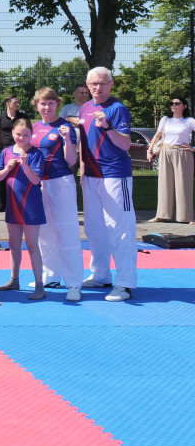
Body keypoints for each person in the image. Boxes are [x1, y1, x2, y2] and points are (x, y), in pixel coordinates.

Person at [78, 67, 138, 301]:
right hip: (91, 176)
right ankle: (101, 275)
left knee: (120, 229)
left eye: (103, 83)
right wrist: (83, 168)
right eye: (94, 83)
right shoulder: (85, 108)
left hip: (115, 176)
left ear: (111, 84)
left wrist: (108, 127)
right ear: (87, 85)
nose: (98, 87)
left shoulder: (117, 109)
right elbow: (84, 142)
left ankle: (125, 283)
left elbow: (125, 144)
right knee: (94, 229)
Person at [30, 87, 83, 302]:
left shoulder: (65, 127)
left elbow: (71, 160)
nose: (47, 107)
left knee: (66, 231)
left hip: (60, 182)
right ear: (36, 105)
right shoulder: (33, 128)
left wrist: (67, 140)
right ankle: (51, 275)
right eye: (43, 103)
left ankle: (74, 283)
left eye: (51, 103)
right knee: (43, 232)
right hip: (38, 184)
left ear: (57, 104)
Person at [0, 118, 46, 300]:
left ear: (31, 135)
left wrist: (24, 165)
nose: (21, 137)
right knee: (14, 244)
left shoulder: (36, 154)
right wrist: (7, 169)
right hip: (13, 205)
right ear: (12, 133)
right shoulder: (6, 152)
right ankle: (14, 279)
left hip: (31, 207)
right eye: (18, 134)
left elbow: (36, 180)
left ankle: (39, 285)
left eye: (26, 135)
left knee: (32, 245)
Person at [147, 96, 195, 224]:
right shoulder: (165, 119)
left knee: (183, 185)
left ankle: (186, 217)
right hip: (165, 151)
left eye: (177, 103)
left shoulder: (189, 121)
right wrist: (150, 150)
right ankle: (162, 215)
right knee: (164, 184)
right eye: (172, 103)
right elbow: (157, 135)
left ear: (184, 106)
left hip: (182, 153)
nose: (173, 105)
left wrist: (193, 148)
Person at [0, 94, 29, 212]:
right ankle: (3, 204)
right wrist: (3, 145)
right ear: (8, 104)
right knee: (3, 177)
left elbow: (28, 130)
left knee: (21, 175)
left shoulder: (22, 117)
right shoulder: (0, 118)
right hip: (5, 151)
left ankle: (20, 203)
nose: (17, 104)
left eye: (18, 102)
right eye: (15, 103)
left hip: (20, 150)